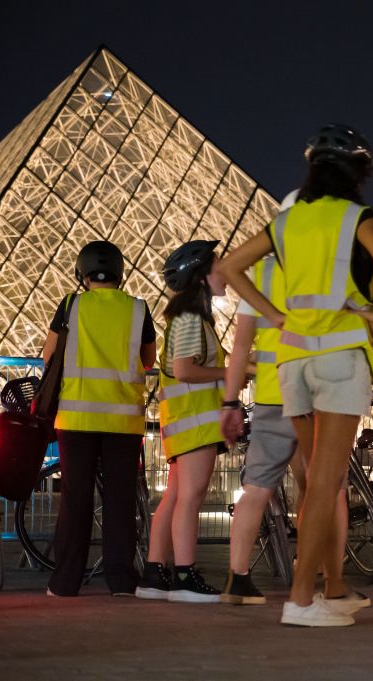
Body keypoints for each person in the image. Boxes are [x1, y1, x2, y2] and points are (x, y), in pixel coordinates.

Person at [220, 124, 373, 627]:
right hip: (339, 356)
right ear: (356, 172)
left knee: (314, 484)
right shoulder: (356, 216)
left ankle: (332, 591)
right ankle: (300, 600)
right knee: (325, 481)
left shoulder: (286, 223)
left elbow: (232, 268)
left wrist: (274, 316)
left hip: (291, 362)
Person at [43, 241, 156, 597]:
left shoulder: (70, 305)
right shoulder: (138, 309)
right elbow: (148, 361)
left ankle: (64, 583)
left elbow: (49, 356)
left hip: (76, 420)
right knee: (120, 502)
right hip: (123, 422)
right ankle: (121, 580)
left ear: (82, 273)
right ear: (120, 273)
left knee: (75, 501)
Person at [135, 240, 226, 603]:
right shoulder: (190, 319)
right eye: (218, 267)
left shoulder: (184, 319)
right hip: (196, 421)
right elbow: (187, 369)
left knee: (175, 496)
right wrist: (233, 370)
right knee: (190, 497)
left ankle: (155, 574)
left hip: (184, 420)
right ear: (201, 277)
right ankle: (186, 575)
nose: (226, 275)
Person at [218, 253, 298, 605]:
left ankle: (238, 578)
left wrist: (230, 402)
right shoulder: (331, 260)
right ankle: (314, 577)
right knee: (322, 488)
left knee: (256, 489)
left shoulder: (262, 271)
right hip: (317, 396)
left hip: (270, 396)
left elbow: (239, 346)